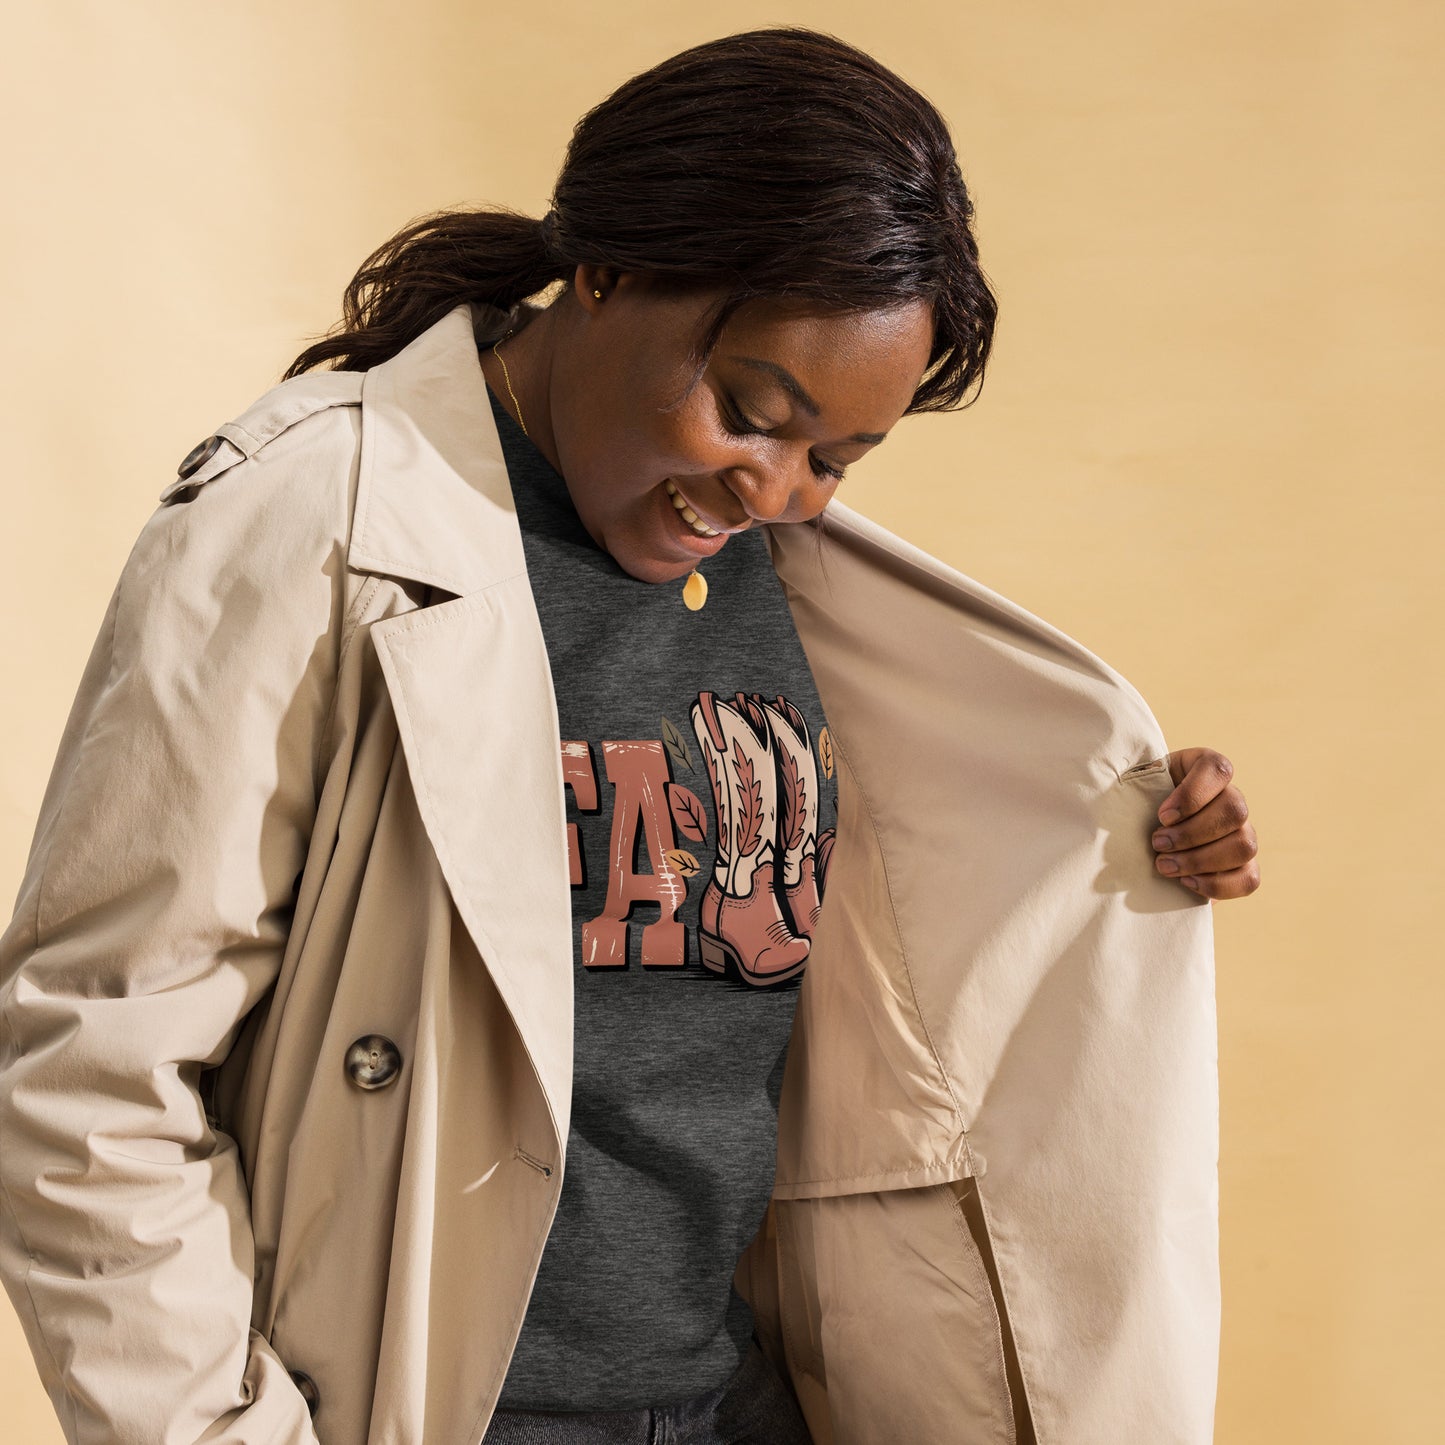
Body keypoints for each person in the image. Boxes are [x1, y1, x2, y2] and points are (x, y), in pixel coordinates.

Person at [0, 25, 1259, 1445]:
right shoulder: (311, 525)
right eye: (753, 409)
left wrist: (1115, 824)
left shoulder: (790, 582)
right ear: (606, 271)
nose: (775, 486)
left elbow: (898, 941)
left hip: (740, 1397)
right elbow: (87, 1069)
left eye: (836, 458)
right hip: (444, 1408)